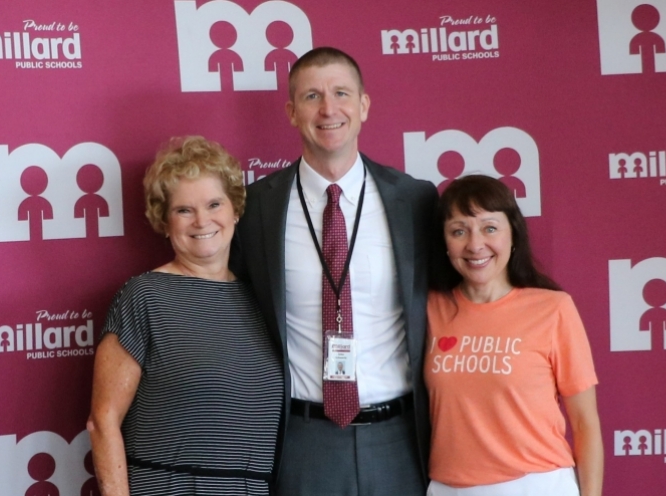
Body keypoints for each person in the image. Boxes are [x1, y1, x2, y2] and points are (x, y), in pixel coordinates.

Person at [229, 47, 441, 495]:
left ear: (363, 105)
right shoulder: (255, 209)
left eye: (341, 93)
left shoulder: (416, 201)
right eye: (311, 96)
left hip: (401, 439)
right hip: (304, 440)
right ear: (291, 112)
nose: (328, 109)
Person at [88, 137, 284, 495]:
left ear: (235, 210)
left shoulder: (263, 299)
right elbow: (103, 421)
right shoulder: (144, 296)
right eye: (184, 210)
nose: (202, 221)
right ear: (164, 220)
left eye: (213, 204)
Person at [425, 175, 602, 496]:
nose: (475, 244)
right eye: (459, 231)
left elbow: (585, 426)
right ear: (445, 243)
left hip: (537, 485)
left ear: (513, 235)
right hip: (448, 488)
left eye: (490, 228)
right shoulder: (429, 309)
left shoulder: (552, 309)